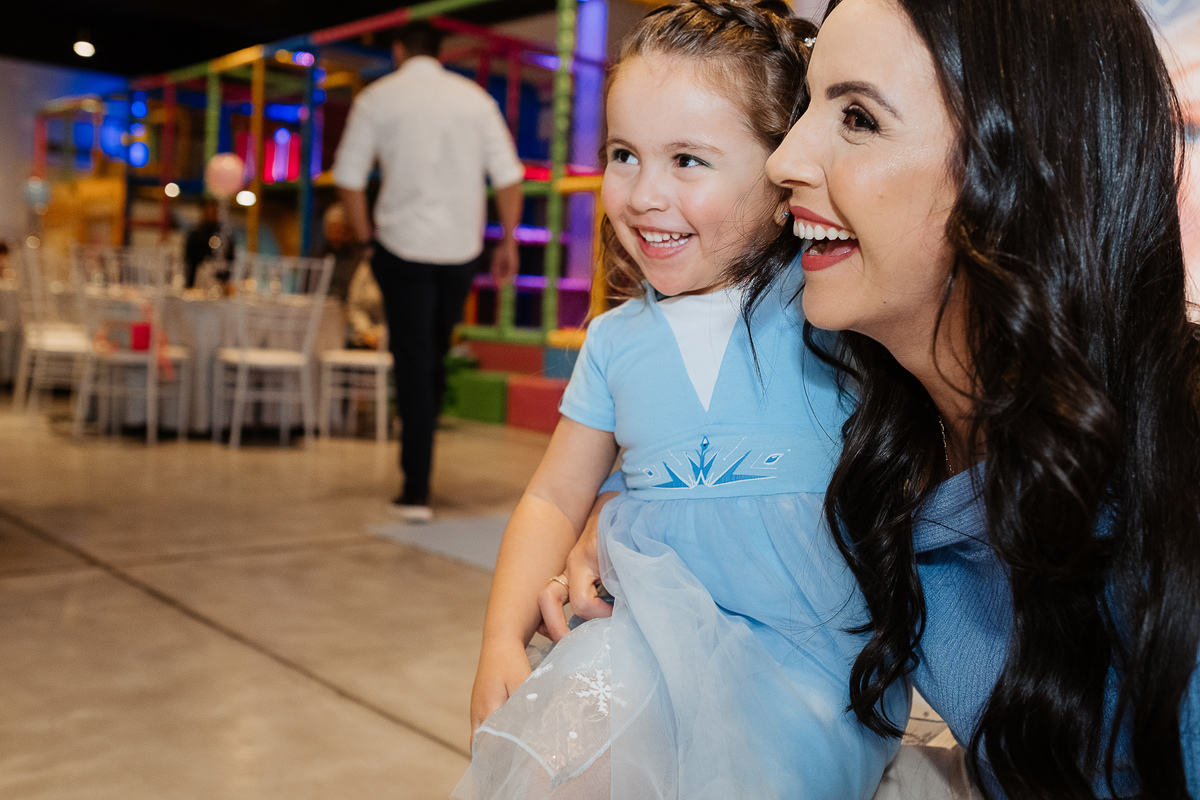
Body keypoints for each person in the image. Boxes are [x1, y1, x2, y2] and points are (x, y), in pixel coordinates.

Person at [457, 3, 906, 798]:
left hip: (808, 672)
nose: (642, 193)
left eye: (688, 160)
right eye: (623, 154)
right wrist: (500, 637)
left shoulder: (830, 309)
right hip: (641, 649)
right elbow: (552, 497)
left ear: (784, 177)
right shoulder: (614, 341)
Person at [762, 0, 1200, 796]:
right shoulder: (870, 422)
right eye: (806, 107)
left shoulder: (1173, 508)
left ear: (1022, 171)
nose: (783, 160)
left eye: (858, 118)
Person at [333, 21, 525, 522]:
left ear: (399, 50)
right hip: (460, 250)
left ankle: (415, 487)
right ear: (442, 52)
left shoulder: (377, 98)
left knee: (413, 360)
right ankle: (420, 467)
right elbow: (509, 176)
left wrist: (365, 240)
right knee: (434, 355)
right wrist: (507, 241)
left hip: (400, 248)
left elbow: (348, 177)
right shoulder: (475, 99)